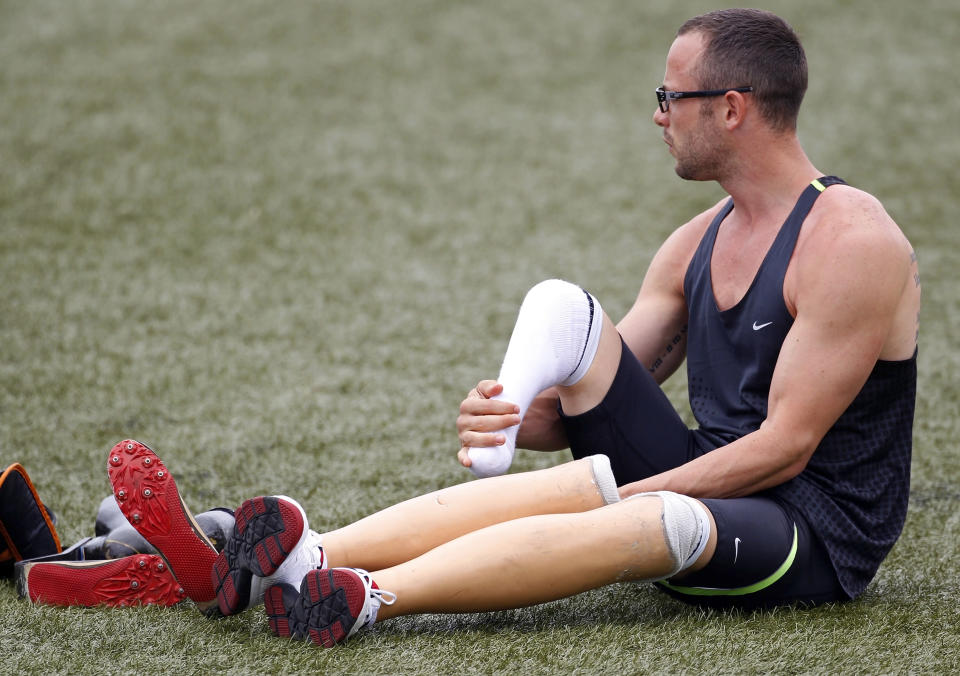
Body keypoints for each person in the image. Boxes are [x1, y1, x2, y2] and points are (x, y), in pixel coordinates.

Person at [85, 8, 918, 647]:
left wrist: (624, 499)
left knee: (658, 517)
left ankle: (368, 599)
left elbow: (786, 449)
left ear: (732, 108)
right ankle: (304, 555)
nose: (659, 114)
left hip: (810, 535)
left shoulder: (852, 243)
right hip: (706, 480)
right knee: (571, 316)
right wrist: (520, 414)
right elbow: (609, 386)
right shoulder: (698, 239)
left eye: (671, 97)